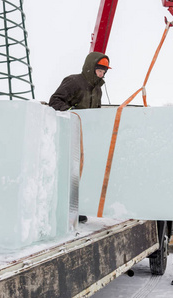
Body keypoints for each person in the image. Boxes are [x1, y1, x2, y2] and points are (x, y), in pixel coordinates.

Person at [49, 52, 111, 223]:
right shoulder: (73, 81)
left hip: (84, 135)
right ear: (91, 68)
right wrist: (72, 114)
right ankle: (61, 208)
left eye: (104, 71)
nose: (102, 74)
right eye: (100, 70)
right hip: (68, 133)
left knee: (80, 171)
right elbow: (55, 101)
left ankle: (74, 208)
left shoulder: (97, 89)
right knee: (69, 170)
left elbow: (95, 111)